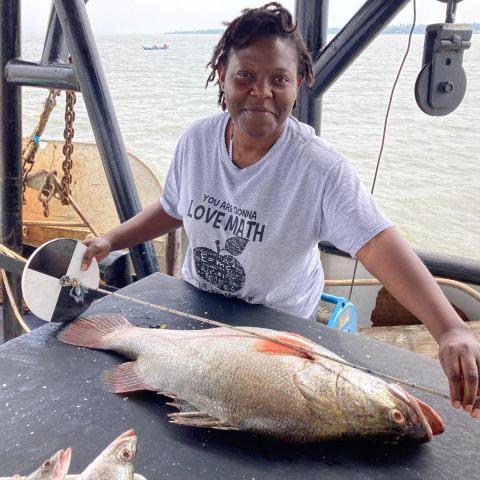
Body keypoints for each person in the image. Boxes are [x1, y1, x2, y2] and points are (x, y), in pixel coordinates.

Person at [81, 2, 480, 418]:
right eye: (246, 76)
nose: (261, 92)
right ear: (222, 75)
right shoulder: (197, 141)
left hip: (281, 336)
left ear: (300, 82)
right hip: (194, 308)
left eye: (279, 79)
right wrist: (112, 239)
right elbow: (172, 208)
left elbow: (377, 242)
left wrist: (448, 328)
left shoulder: (320, 169)